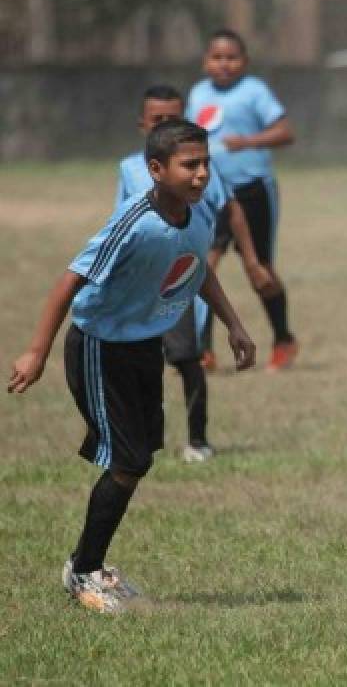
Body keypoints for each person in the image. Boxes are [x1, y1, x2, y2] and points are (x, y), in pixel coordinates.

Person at [8, 119, 255, 613]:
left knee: (137, 458)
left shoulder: (198, 211)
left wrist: (234, 323)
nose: (202, 174)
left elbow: (196, 269)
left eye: (206, 163)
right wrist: (37, 351)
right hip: (101, 345)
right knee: (128, 459)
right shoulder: (134, 221)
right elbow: (69, 281)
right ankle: (82, 572)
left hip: (145, 345)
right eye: (191, 165)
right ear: (156, 170)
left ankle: (90, 564)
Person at [116, 84, 275, 461]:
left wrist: (252, 261)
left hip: (180, 279)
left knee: (189, 359)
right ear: (143, 125)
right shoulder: (129, 169)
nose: (168, 126)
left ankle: (198, 440)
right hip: (141, 283)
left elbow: (230, 208)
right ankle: (134, 438)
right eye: (159, 120)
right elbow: (120, 220)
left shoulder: (200, 166)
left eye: (175, 118)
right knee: (136, 364)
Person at [187, 28, 297, 372]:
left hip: (252, 191)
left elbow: (285, 132)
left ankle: (283, 339)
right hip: (210, 193)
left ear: (244, 62)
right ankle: (203, 350)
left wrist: (247, 142)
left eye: (231, 58)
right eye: (217, 58)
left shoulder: (254, 91)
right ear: (206, 62)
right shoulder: (198, 94)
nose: (224, 64)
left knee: (259, 270)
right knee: (203, 267)